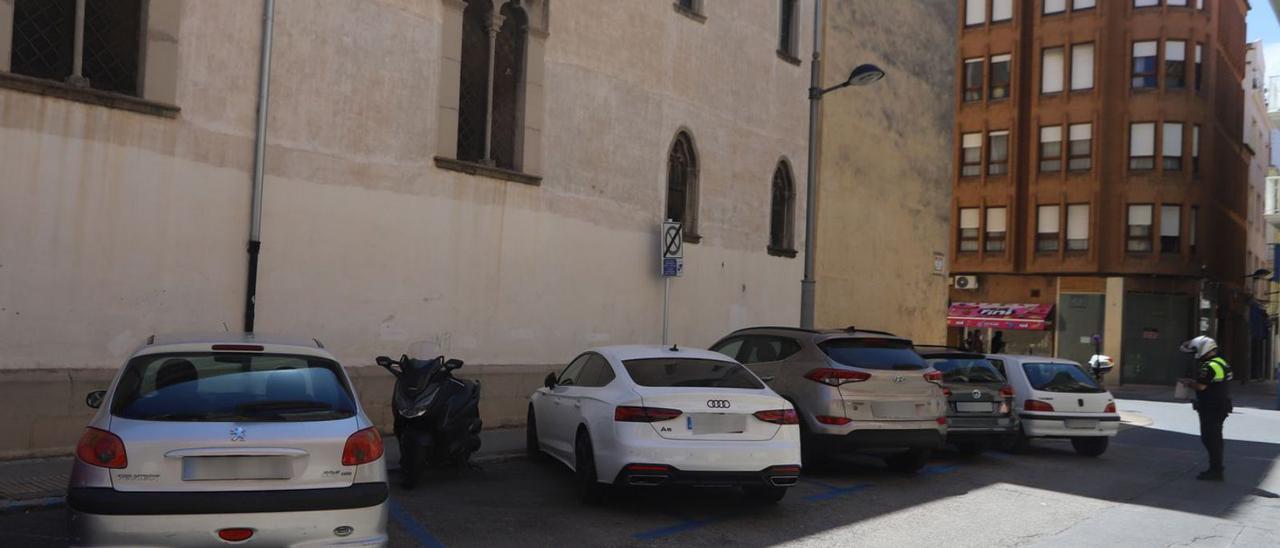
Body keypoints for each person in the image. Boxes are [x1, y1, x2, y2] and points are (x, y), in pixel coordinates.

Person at [1178, 336, 1233, 481]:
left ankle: (1215, 470)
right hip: (1220, 405)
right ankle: (1216, 468)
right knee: (1216, 438)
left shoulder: (1209, 366)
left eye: (1196, 349)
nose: (1195, 353)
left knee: (1210, 438)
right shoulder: (1222, 362)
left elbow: (1202, 386)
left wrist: (1189, 382)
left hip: (1211, 407)